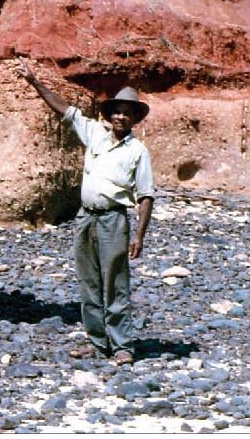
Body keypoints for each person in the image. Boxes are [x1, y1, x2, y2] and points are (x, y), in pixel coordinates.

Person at [15, 58, 154, 365]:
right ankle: (97, 342)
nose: (120, 116)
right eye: (117, 111)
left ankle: (122, 346)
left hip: (113, 219)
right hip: (85, 217)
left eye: (127, 113)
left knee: (115, 282)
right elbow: (63, 108)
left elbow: (145, 196)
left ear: (134, 119)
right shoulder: (94, 134)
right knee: (88, 281)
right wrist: (34, 82)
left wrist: (139, 236)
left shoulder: (137, 152)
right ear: (110, 114)